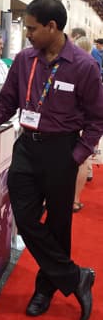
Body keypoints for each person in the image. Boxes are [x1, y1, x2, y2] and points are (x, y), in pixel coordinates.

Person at [0, 0, 103, 320]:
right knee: (25, 217)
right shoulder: (25, 60)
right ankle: (74, 277)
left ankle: (45, 288)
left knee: (58, 225)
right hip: (27, 148)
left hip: (61, 151)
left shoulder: (84, 66)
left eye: (31, 28)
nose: (26, 34)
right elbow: (7, 102)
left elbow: (97, 119)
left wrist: (77, 155)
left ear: (52, 27)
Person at [73, 36, 93, 212]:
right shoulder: (92, 64)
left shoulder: (83, 65)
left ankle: (74, 199)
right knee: (83, 161)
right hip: (81, 120)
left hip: (78, 120)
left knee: (81, 161)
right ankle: (75, 200)